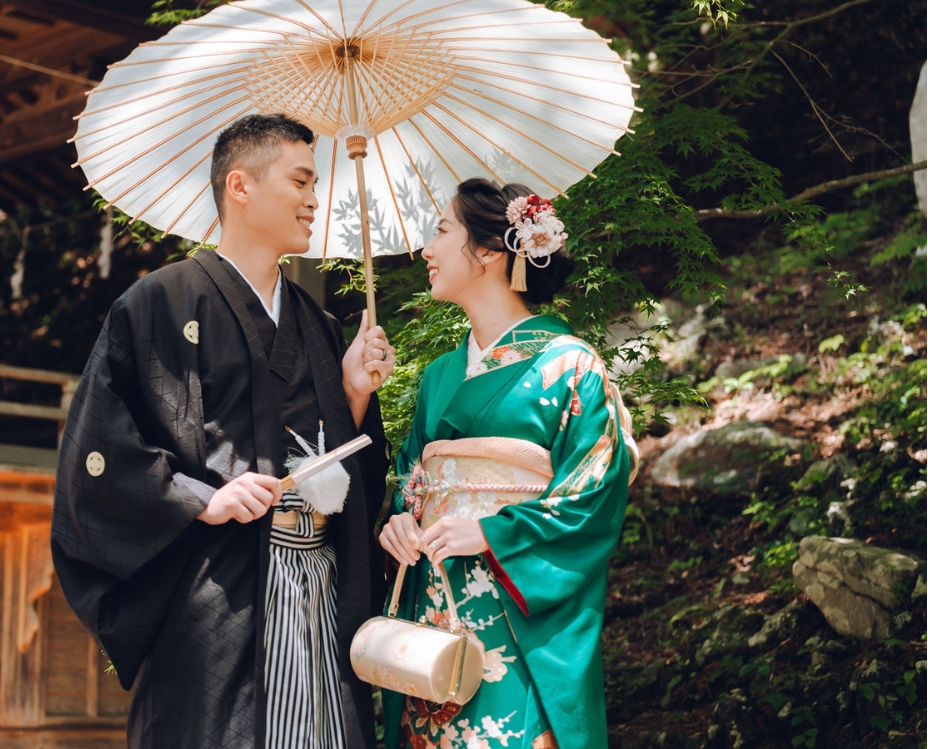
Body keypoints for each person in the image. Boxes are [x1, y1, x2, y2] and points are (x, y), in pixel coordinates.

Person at [52, 114, 396, 749]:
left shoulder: (319, 325)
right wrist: (198, 498)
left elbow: (344, 470)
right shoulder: (159, 303)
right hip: (216, 590)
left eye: (314, 182)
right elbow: (99, 452)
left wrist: (352, 392)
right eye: (299, 180)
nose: (313, 198)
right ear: (240, 186)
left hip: (316, 579)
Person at [377, 178, 638, 749]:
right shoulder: (439, 377)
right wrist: (399, 519)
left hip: (514, 618)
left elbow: (593, 495)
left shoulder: (572, 367)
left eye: (442, 231)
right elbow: (409, 480)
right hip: (433, 617)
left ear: (491, 251)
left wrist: (493, 532)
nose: (427, 249)